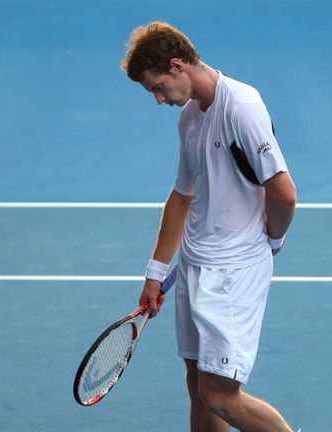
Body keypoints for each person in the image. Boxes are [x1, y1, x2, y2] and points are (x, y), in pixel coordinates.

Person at [121, 22, 297, 432]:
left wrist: (273, 237)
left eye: (157, 87)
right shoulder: (189, 119)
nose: (159, 99)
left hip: (233, 271)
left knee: (219, 394)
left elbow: (284, 192)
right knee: (198, 384)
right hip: (195, 265)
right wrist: (155, 271)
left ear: (178, 65)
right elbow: (181, 196)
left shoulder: (241, 108)